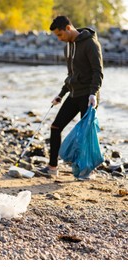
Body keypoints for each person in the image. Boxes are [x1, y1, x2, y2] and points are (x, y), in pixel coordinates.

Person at [38, 15, 103, 177]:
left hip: (89, 96)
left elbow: (98, 72)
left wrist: (93, 93)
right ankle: (52, 168)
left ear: (68, 28)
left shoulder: (91, 44)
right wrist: (61, 94)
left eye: (60, 35)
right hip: (74, 94)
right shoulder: (68, 47)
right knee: (55, 127)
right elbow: (71, 75)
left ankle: (85, 170)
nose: (59, 39)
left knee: (85, 135)